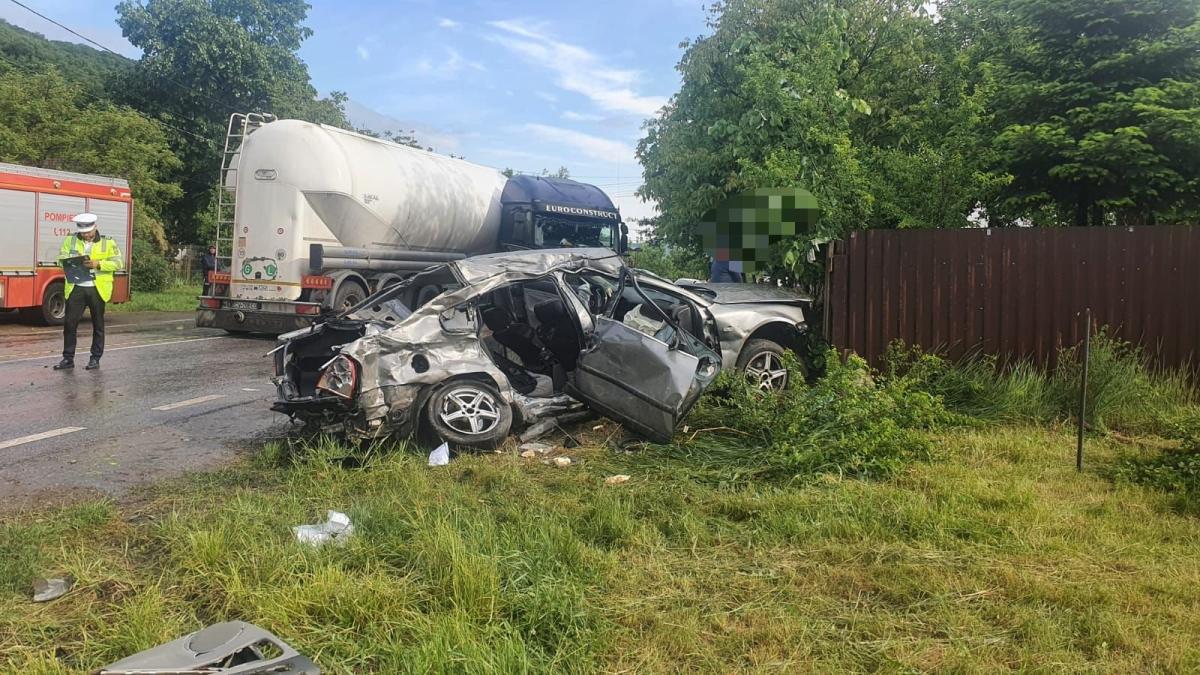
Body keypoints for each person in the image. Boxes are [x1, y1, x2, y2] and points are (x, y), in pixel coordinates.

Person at [54, 213, 122, 371]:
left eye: (88, 232)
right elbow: (60, 258)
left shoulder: (108, 242)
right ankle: (68, 358)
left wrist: (98, 264)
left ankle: (95, 358)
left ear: (95, 227)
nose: (86, 235)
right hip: (76, 286)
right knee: (70, 324)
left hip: (97, 289)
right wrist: (71, 260)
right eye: (83, 233)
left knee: (98, 324)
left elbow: (119, 262)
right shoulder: (70, 240)